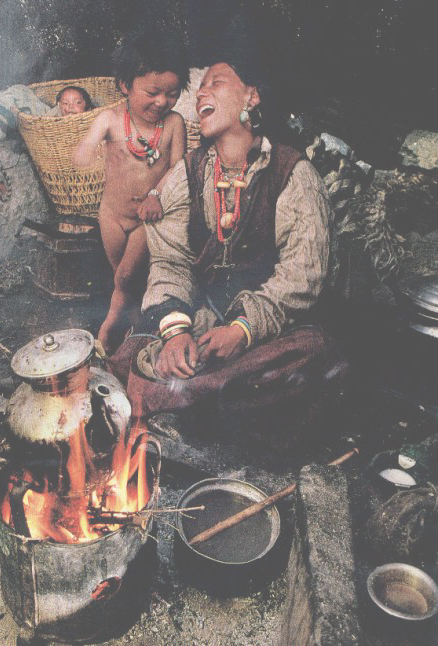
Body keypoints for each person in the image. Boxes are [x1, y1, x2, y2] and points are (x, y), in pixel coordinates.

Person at [109, 57, 349, 443]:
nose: (201, 93)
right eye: (200, 86)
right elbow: (170, 261)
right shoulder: (189, 172)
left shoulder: (293, 173)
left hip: (266, 330)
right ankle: (199, 402)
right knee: (133, 349)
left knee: (314, 354)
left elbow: (302, 274)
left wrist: (242, 329)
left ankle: (175, 403)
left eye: (216, 83)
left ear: (251, 96)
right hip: (201, 321)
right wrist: (176, 334)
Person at [74, 31, 189, 354]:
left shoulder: (174, 124)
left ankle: (109, 327)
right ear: (125, 85)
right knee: (123, 278)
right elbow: (85, 147)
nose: (162, 102)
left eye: (172, 94)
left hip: (146, 219)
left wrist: (156, 195)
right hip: (111, 215)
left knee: (125, 277)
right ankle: (137, 324)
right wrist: (84, 151)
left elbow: (178, 168)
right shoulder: (110, 119)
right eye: (152, 92)